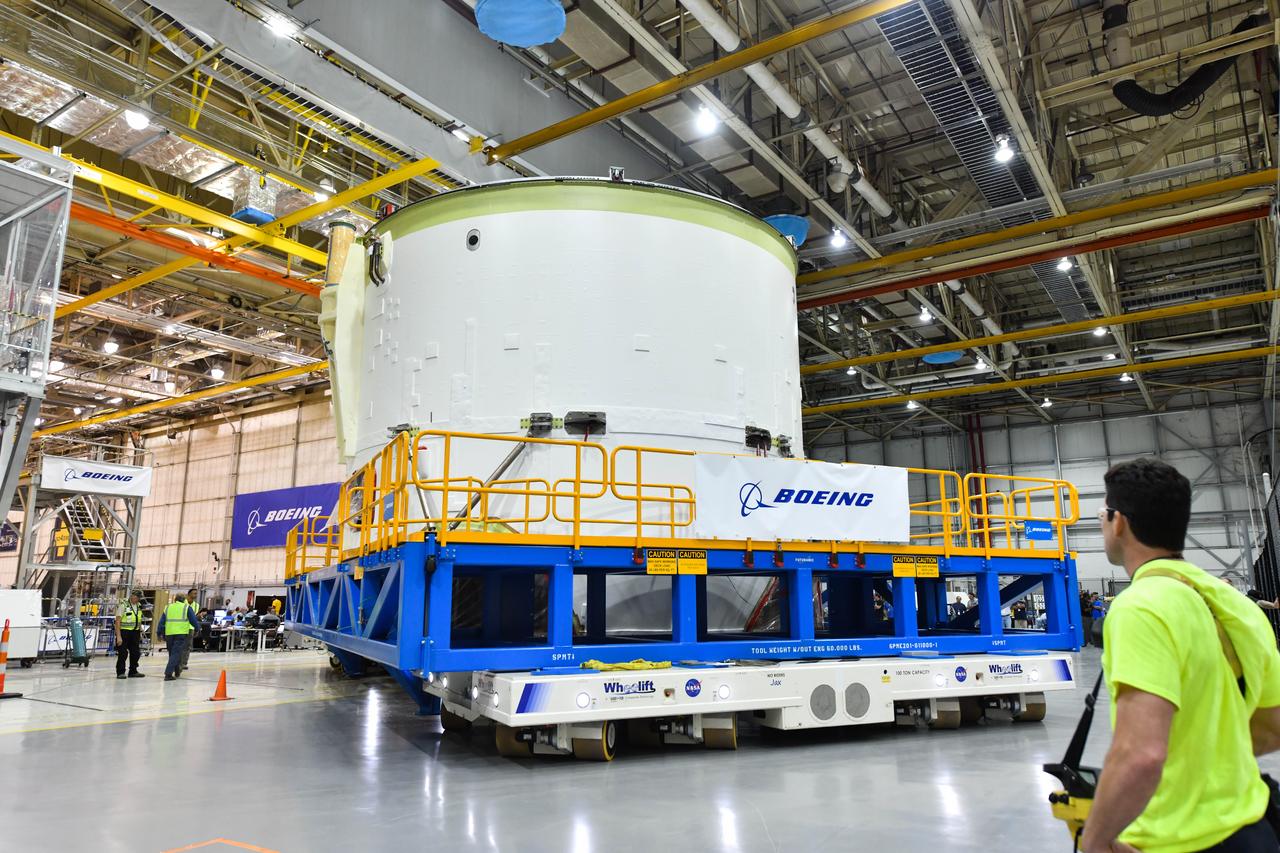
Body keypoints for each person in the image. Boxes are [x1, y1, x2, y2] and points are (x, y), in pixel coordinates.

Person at [1080, 458, 1280, 853]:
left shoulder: (1140, 607)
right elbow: (1273, 726)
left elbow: (1141, 754)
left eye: (1103, 513)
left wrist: (1097, 839)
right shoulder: (1236, 604)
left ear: (1119, 522)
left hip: (1174, 841)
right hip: (1253, 830)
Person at [157, 592, 199, 681]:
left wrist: (158, 633)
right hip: (181, 634)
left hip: (169, 634)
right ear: (184, 600)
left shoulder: (168, 607)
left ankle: (177, 671)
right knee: (176, 653)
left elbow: (161, 621)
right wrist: (197, 629)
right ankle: (168, 673)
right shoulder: (186, 607)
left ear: (175, 599)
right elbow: (193, 620)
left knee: (173, 654)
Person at [114, 591, 145, 680]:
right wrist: (118, 636)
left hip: (135, 633)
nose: (136, 599)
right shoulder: (123, 605)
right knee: (123, 653)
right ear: (132, 596)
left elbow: (138, 619)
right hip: (124, 632)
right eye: (135, 597)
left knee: (136, 653)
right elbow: (118, 621)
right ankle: (120, 672)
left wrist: (140, 631)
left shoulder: (139, 606)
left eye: (138, 598)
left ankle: (133, 671)